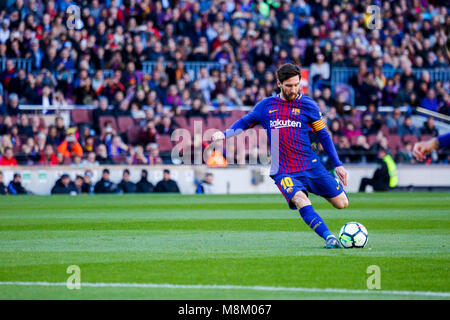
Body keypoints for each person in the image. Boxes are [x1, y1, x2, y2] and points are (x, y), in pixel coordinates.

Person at [212, 63, 349, 249]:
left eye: (296, 84)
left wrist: (338, 164)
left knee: (342, 203)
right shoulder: (266, 106)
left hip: (311, 165)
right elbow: (245, 122)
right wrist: (225, 134)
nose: (294, 89)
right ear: (279, 83)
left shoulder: (308, 105)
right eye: (289, 85)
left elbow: (324, 135)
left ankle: (330, 184)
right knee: (300, 200)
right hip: (283, 170)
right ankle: (329, 237)